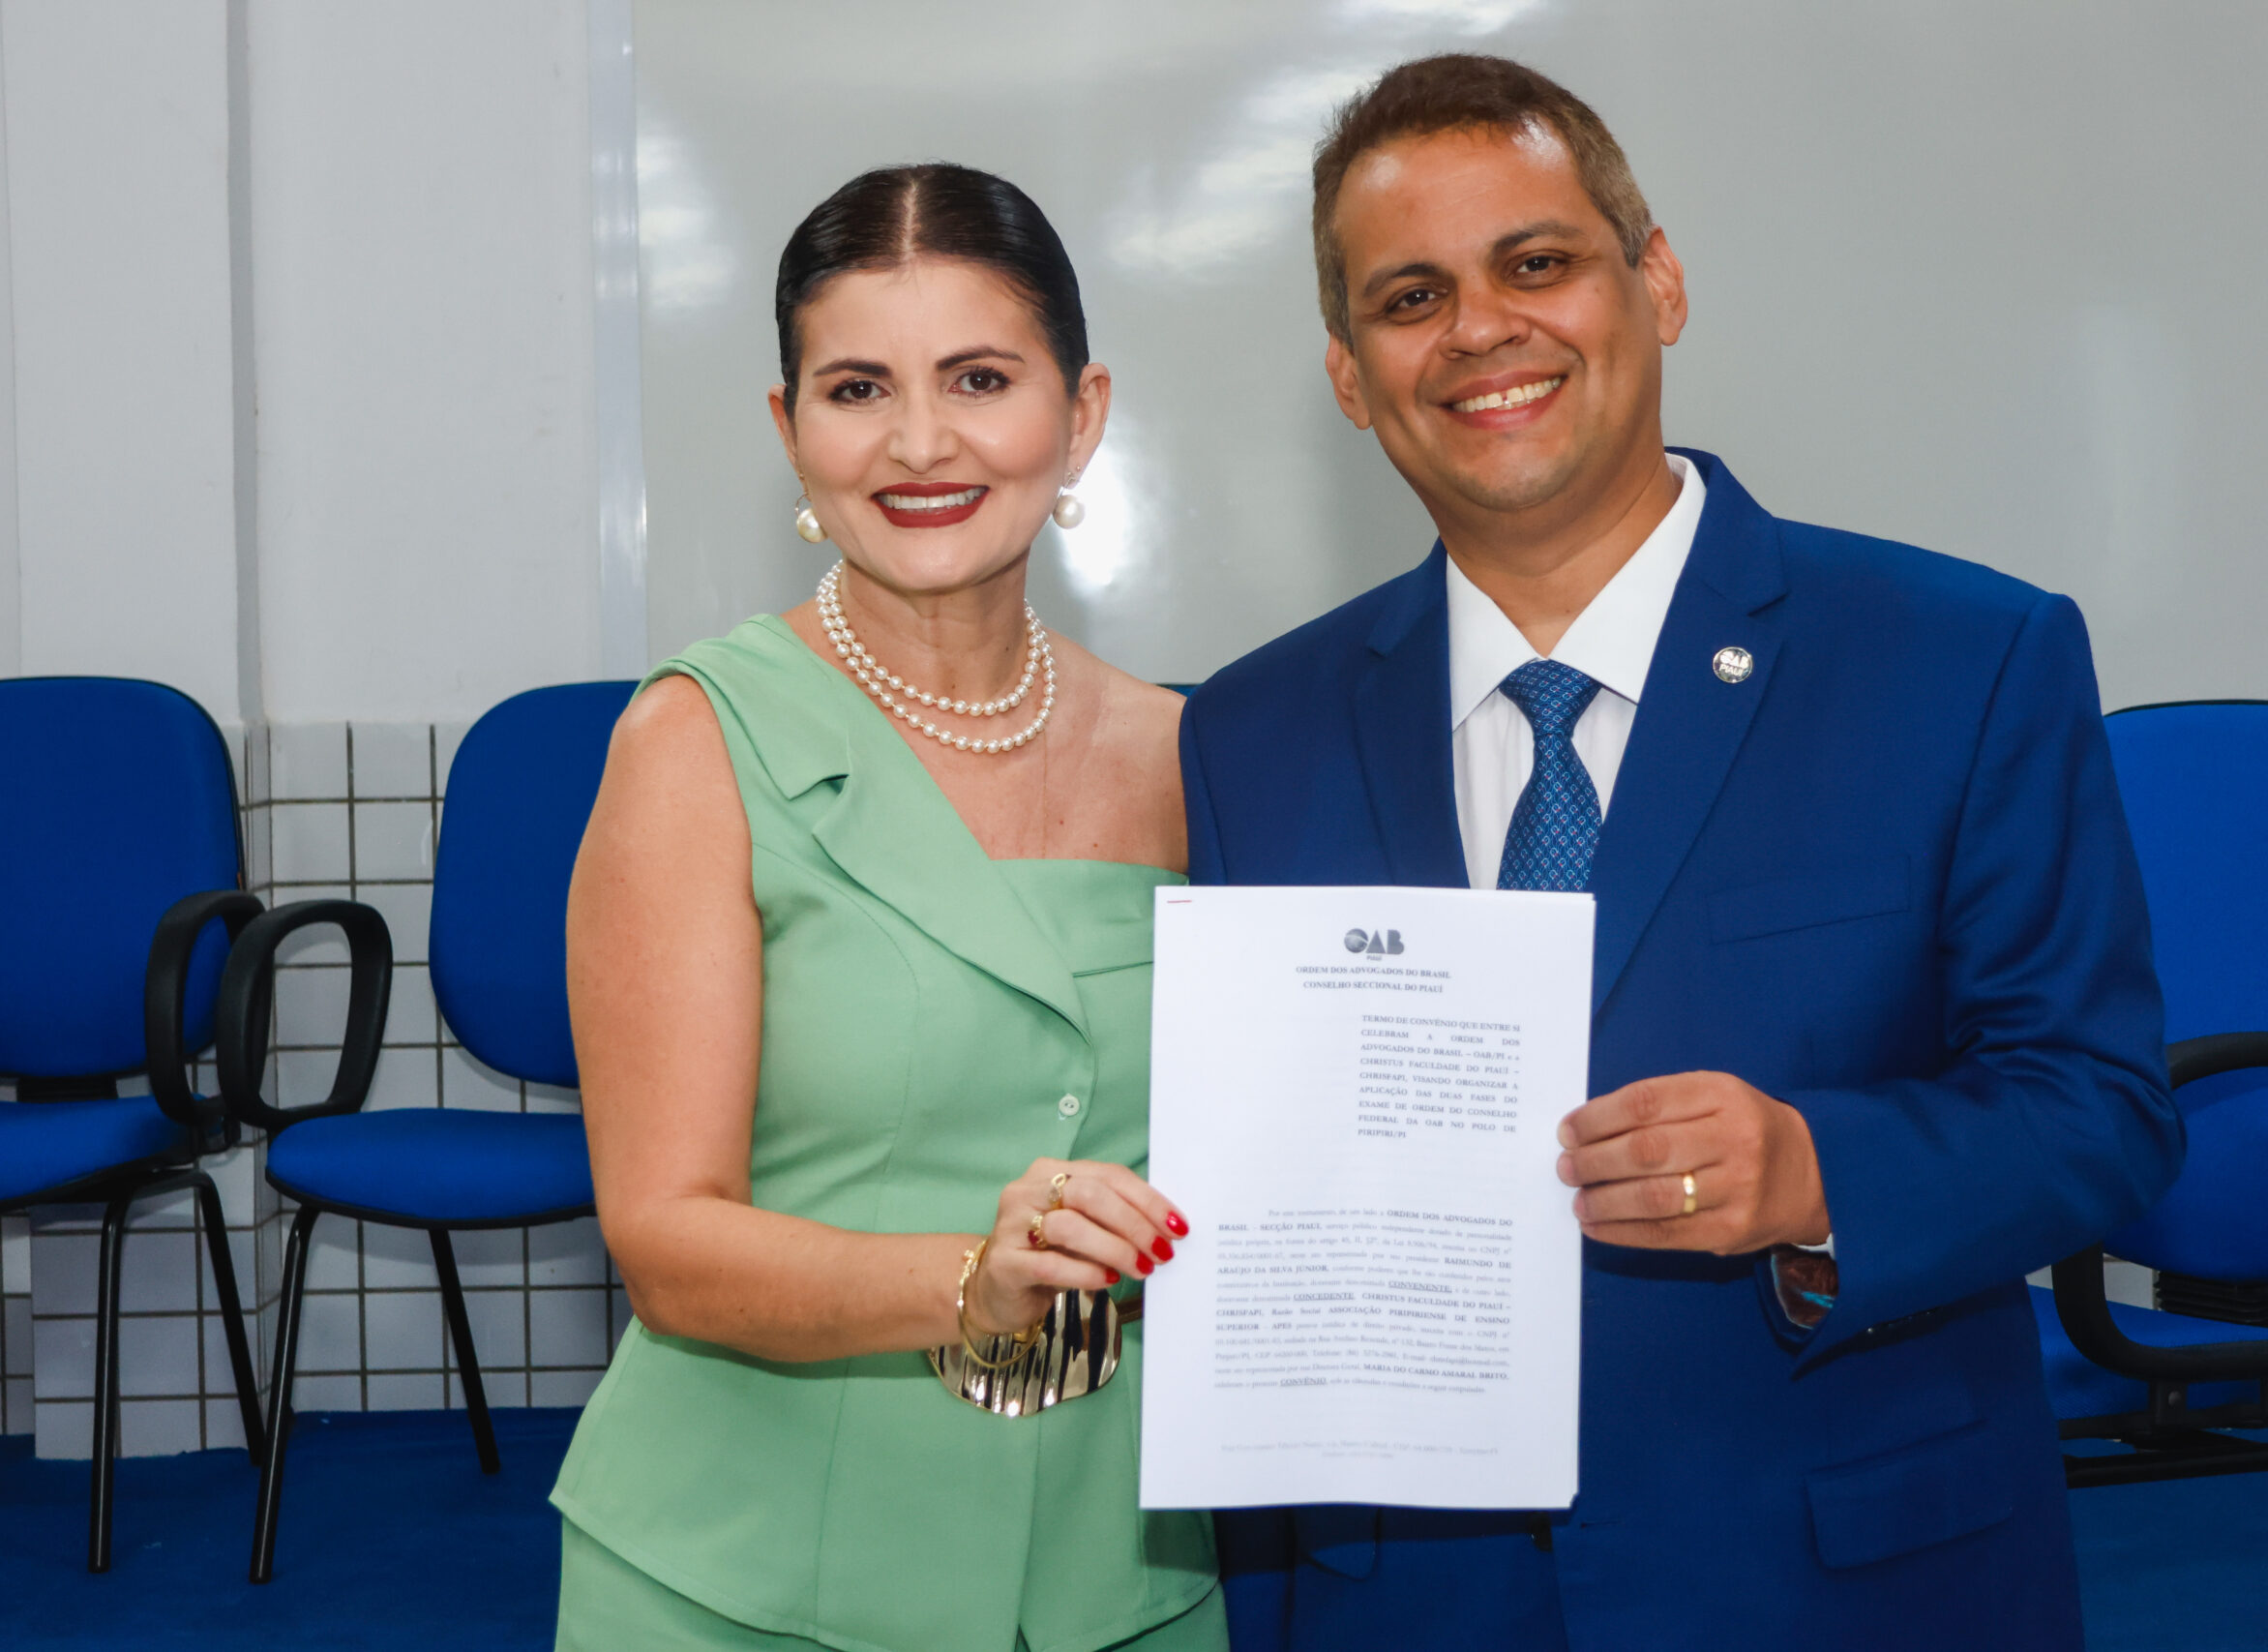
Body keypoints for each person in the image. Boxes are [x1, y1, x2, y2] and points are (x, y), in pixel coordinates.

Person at [1183, 55, 2183, 1650]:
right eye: (1411, 297)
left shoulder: (1961, 660)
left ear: (1657, 283)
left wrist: (1814, 1172)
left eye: (1537, 263)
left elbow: (2102, 1113)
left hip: (1838, 1584)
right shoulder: (1249, 732)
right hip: (1415, 1600)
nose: (1480, 331)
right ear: (1351, 376)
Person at [553, 164, 1225, 1652]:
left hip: (1127, 1570)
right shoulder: (694, 741)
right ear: (791, 430)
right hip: (755, 1571)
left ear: (1082, 414)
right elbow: (665, 1240)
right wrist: (975, 1285)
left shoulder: (1192, 754)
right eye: (858, 389)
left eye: (980, 379)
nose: (921, 443)